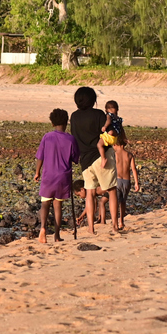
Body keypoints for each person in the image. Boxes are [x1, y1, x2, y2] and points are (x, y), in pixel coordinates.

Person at [70, 86, 119, 234]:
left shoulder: (74, 117)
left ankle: (91, 228)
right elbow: (109, 131)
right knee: (111, 191)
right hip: (100, 155)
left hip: (85, 159)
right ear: (93, 100)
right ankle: (115, 225)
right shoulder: (98, 114)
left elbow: (74, 137)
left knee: (89, 194)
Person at [34, 108, 79, 243]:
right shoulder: (71, 139)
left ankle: (43, 228)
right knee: (58, 205)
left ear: (52, 123)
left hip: (48, 175)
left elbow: (40, 157)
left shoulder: (47, 137)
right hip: (63, 176)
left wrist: (37, 172)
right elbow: (75, 158)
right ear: (67, 123)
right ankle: (57, 235)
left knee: (45, 204)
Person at [112, 132, 140, 230]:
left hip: (117, 180)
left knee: (115, 201)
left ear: (116, 144)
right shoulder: (129, 155)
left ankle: (115, 221)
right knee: (123, 202)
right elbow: (134, 169)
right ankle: (121, 222)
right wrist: (136, 182)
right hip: (127, 181)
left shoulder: (115, 154)